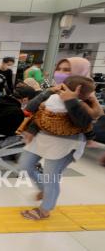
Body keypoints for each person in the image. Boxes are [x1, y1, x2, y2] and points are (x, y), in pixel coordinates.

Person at [19, 58, 103, 220]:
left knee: (51, 176)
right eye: (60, 69)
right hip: (43, 137)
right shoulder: (55, 90)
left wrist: (71, 100)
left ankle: (45, 209)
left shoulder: (87, 96)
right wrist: (32, 129)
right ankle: (45, 190)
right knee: (25, 165)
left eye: (67, 70)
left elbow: (83, 123)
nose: (61, 74)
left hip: (66, 143)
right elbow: (38, 110)